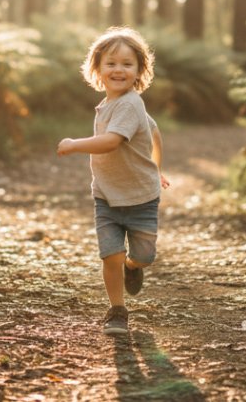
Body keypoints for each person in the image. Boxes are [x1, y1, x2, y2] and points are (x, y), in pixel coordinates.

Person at [57, 26, 170, 336]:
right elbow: (155, 132)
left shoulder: (131, 104)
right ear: (97, 68)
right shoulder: (108, 105)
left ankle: (134, 268)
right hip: (106, 197)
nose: (118, 69)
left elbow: (110, 142)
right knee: (111, 255)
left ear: (139, 72)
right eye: (111, 63)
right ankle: (117, 311)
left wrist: (73, 144)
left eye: (127, 64)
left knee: (143, 256)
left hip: (141, 199)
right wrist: (155, 166)